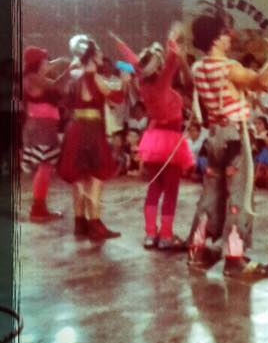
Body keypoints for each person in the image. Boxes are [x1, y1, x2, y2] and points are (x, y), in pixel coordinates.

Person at [186, 13, 268, 278]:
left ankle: (197, 250)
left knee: (211, 194)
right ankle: (234, 257)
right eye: (224, 33)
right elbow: (264, 81)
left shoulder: (199, 68)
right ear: (217, 39)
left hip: (215, 136)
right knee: (238, 196)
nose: (229, 37)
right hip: (234, 135)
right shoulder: (228, 68)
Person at [112, 22, 194, 251]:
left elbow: (134, 61)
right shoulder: (161, 82)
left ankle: (150, 234)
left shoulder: (143, 82)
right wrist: (173, 40)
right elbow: (171, 62)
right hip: (170, 141)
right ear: (157, 67)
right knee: (171, 191)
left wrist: (120, 45)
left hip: (153, 140)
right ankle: (166, 235)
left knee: (153, 188)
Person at [58, 35, 128, 240]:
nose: (100, 55)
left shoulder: (73, 78)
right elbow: (116, 98)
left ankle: (80, 223)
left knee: (79, 177)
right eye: (97, 52)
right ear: (89, 55)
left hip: (74, 129)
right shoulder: (93, 77)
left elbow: (67, 104)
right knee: (96, 176)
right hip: (91, 130)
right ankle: (95, 223)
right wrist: (124, 83)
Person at [21, 45, 71, 222]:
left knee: (45, 167)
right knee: (45, 166)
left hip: (42, 126)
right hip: (41, 127)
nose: (46, 63)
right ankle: (38, 209)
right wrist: (69, 70)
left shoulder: (33, 77)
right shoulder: (32, 78)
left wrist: (61, 63)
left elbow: (53, 76)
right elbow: (56, 85)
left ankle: (39, 207)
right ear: (37, 63)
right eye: (44, 60)